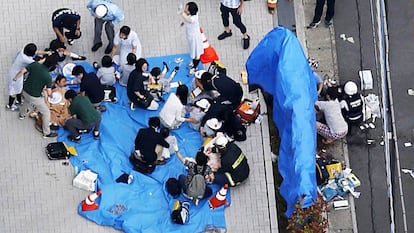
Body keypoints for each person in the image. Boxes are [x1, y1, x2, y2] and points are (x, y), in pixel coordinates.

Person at [15, 55, 58, 138]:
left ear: (45, 59)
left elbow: (22, 71)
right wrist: (52, 95)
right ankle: (46, 133)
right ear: (52, 66)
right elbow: (49, 93)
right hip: (35, 96)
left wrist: (15, 79)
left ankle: (22, 115)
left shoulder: (34, 65)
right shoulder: (48, 77)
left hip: (24, 90)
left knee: (27, 102)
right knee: (46, 113)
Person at [6, 43, 50, 111]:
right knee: (13, 91)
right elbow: (37, 63)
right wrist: (46, 58)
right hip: (16, 76)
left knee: (19, 89)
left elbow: (37, 52)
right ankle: (10, 105)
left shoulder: (23, 52)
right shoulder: (27, 60)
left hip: (16, 72)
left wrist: (46, 52)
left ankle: (18, 100)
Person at [178, 2, 203, 76]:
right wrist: (183, 22)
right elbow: (186, 19)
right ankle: (193, 63)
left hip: (195, 38)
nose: (185, 9)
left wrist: (181, 13)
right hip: (190, 37)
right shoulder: (189, 15)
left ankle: (194, 67)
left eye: (186, 8)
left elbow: (189, 19)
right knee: (192, 52)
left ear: (190, 11)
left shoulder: (194, 17)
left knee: (196, 54)